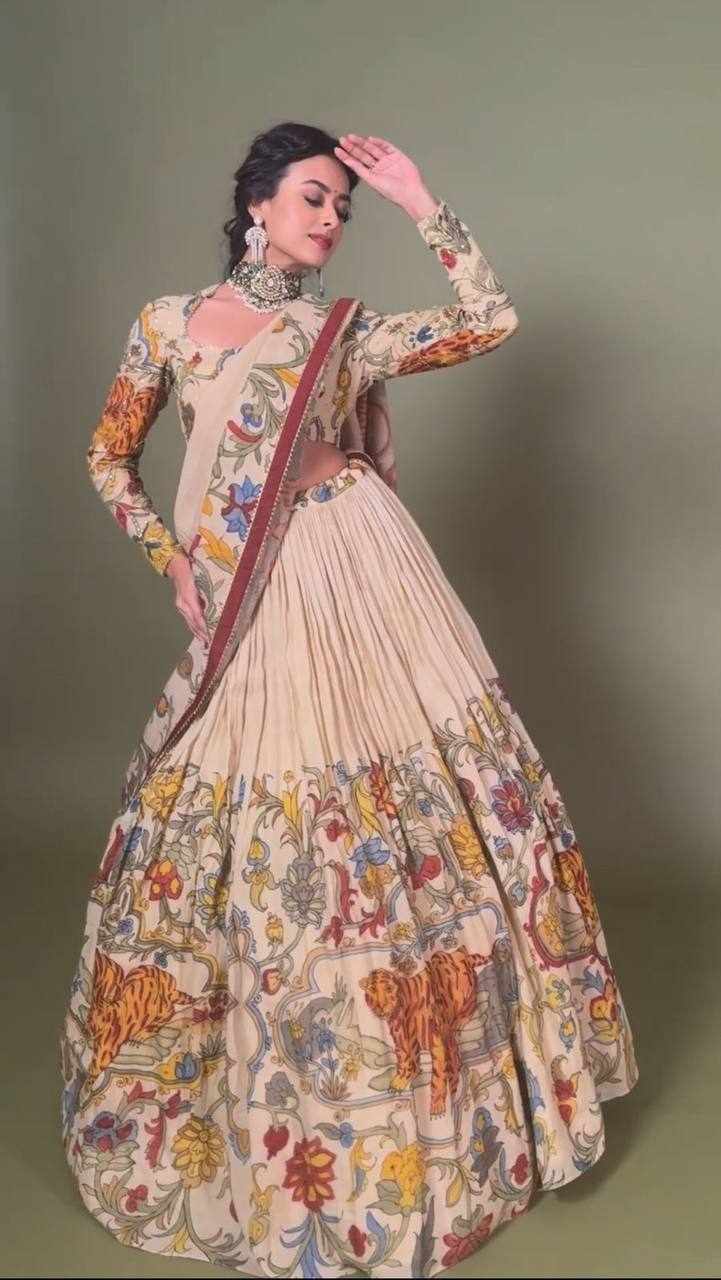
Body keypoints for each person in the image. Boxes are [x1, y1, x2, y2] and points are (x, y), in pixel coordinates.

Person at [59, 123, 639, 1278]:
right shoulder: (167, 325)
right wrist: (169, 558)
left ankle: (425, 1090)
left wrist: (419, 199)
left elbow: (487, 319)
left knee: (404, 818)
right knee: (253, 807)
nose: (330, 219)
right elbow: (107, 458)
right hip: (247, 582)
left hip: (359, 566)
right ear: (257, 206)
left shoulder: (345, 332)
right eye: (314, 198)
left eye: (342, 206)